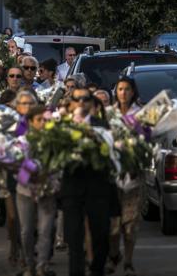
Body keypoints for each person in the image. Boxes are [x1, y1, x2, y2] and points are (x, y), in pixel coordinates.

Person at [61, 87, 112, 276]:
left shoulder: (102, 125)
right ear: (71, 103)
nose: (81, 102)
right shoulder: (61, 126)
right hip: (72, 191)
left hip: (98, 189)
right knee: (74, 239)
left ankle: (97, 269)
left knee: (101, 236)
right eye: (77, 99)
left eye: (85, 99)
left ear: (91, 103)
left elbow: (112, 155)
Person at [18, 105, 59, 276]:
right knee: (27, 230)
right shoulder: (22, 141)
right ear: (30, 122)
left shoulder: (55, 141)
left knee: (45, 229)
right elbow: (17, 165)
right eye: (38, 120)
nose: (42, 123)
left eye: (45, 120)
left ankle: (42, 266)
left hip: (47, 190)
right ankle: (29, 264)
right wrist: (30, 172)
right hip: (25, 191)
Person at [107, 77, 142, 276]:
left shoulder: (140, 114)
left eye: (127, 89)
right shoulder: (109, 114)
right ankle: (114, 256)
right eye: (120, 89)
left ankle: (128, 261)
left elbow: (149, 137)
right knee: (113, 225)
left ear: (133, 91)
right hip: (113, 178)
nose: (123, 93)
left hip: (133, 177)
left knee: (130, 225)